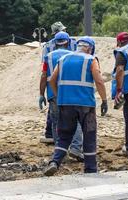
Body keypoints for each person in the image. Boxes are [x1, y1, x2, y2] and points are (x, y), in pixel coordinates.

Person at [44, 36, 108, 176]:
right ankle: (90, 169)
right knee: (89, 135)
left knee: (65, 136)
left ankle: (54, 162)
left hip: (65, 103)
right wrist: (104, 100)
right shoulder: (91, 60)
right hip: (86, 105)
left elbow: (52, 80)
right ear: (90, 49)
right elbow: (99, 80)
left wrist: (59, 95)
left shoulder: (63, 59)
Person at [39, 31, 84, 161]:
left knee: (56, 122)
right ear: (68, 42)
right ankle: (75, 148)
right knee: (75, 121)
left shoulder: (48, 56)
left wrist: (41, 94)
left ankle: (59, 151)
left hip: (53, 94)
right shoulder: (74, 55)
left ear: (55, 43)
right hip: (70, 94)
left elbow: (44, 76)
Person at [39, 21, 77, 144]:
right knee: (72, 117)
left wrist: (42, 93)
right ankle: (72, 144)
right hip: (69, 88)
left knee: (55, 117)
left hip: (53, 89)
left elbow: (44, 72)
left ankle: (57, 143)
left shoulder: (48, 50)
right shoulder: (73, 46)